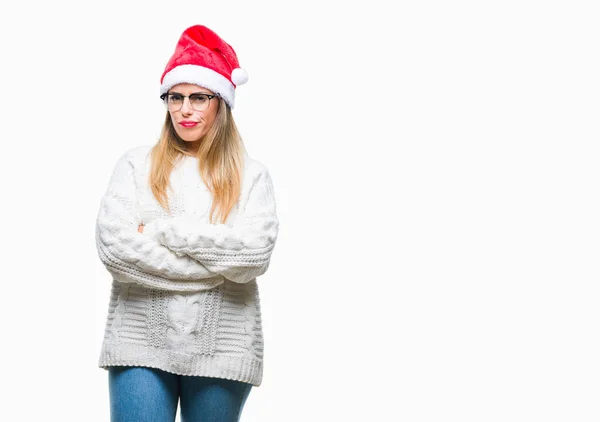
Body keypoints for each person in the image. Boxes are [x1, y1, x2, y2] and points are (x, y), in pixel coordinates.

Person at [95, 24, 279, 422]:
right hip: (140, 341)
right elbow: (115, 249)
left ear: (220, 103)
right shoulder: (135, 164)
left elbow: (254, 255)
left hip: (223, 347)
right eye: (175, 97)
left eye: (199, 97)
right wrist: (215, 267)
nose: (185, 109)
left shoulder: (252, 176)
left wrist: (162, 231)